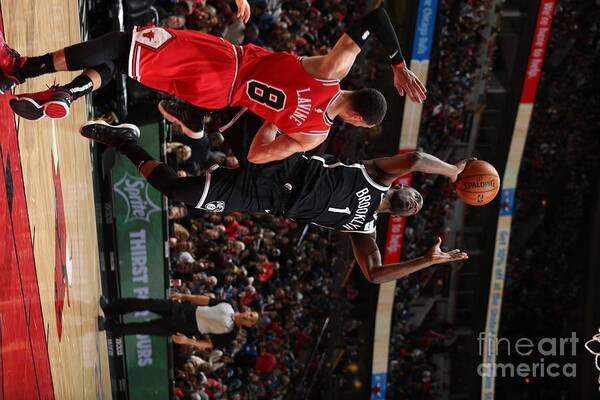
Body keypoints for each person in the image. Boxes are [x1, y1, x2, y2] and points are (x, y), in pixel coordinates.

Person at [0, 6, 425, 163]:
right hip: (218, 97)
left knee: (120, 43)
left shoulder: (331, 72)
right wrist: (274, 118)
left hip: (225, 62)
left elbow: (376, 17)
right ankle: (66, 94)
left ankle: (23, 69)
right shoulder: (312, 135)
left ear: (356, 95)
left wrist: (398, 65)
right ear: (355, 118)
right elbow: (256, 155)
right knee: (125, 66)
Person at [80, 120, 469, 284]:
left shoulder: (362, 229)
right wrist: (452, 171)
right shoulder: (378, 174)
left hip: (264, 198)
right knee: (227, 112)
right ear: (405, 185)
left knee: (179, 193)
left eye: (417, 206)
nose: (417, 200)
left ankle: (125, 141)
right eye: (418, 192)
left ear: (402, 215)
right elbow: (417, 159)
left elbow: (375, 275)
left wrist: (427, 261)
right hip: (282, 164)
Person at [99, 293, 258, 350]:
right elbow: (207, 301)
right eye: (251, 313)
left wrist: (187, 341)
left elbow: (209, 344)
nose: (249, 316)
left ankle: (112, 327)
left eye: (251, 319)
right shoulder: (230, 304)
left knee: (145, 327)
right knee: (146, 303)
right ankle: (110, 307)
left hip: (187, 326)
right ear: (247, 310)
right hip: (185, 309)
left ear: (249, 325)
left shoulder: (231, 333)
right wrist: (185, 296)